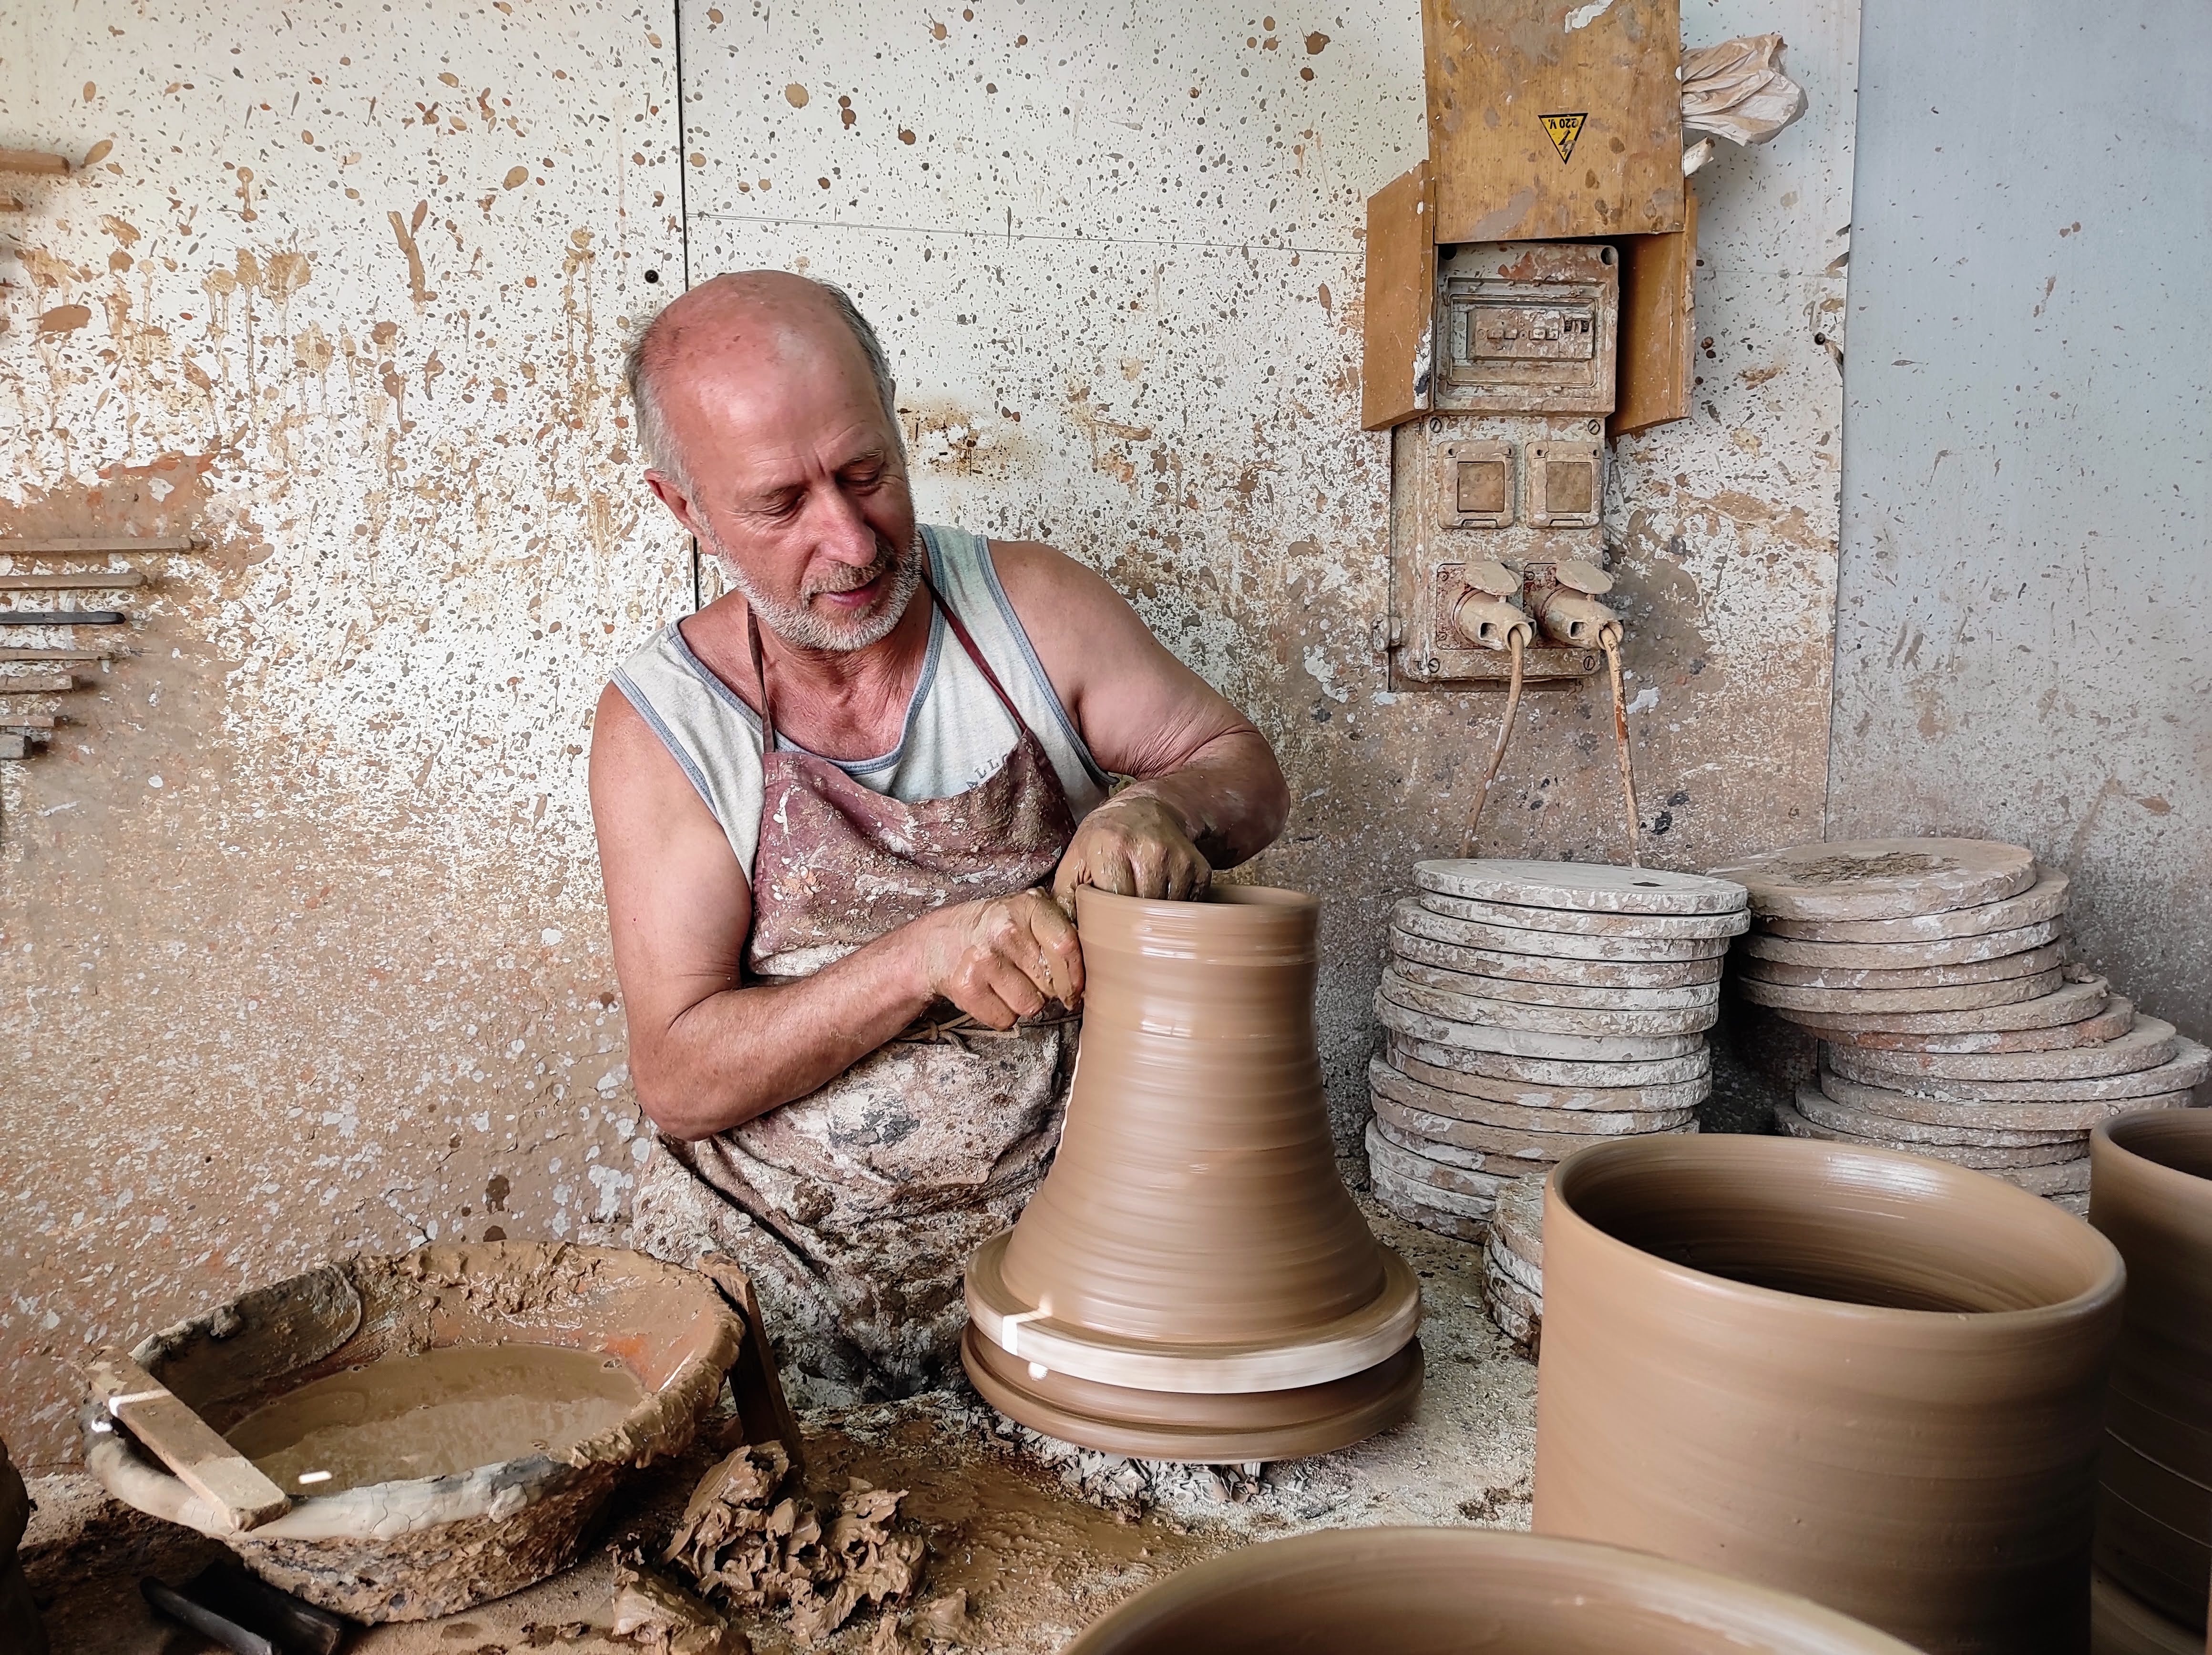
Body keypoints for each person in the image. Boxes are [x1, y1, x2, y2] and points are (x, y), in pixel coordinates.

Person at [591, 271, 1290, 1402]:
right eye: (781, 504)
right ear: (687, 510)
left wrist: (1161, 805)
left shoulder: (1032, 608)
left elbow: (1243, 769)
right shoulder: (664, 725)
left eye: (866, 472)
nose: (853, 537)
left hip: (1082, 1240)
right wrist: (923, 959)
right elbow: (678, 1072)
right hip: (782, 1263)